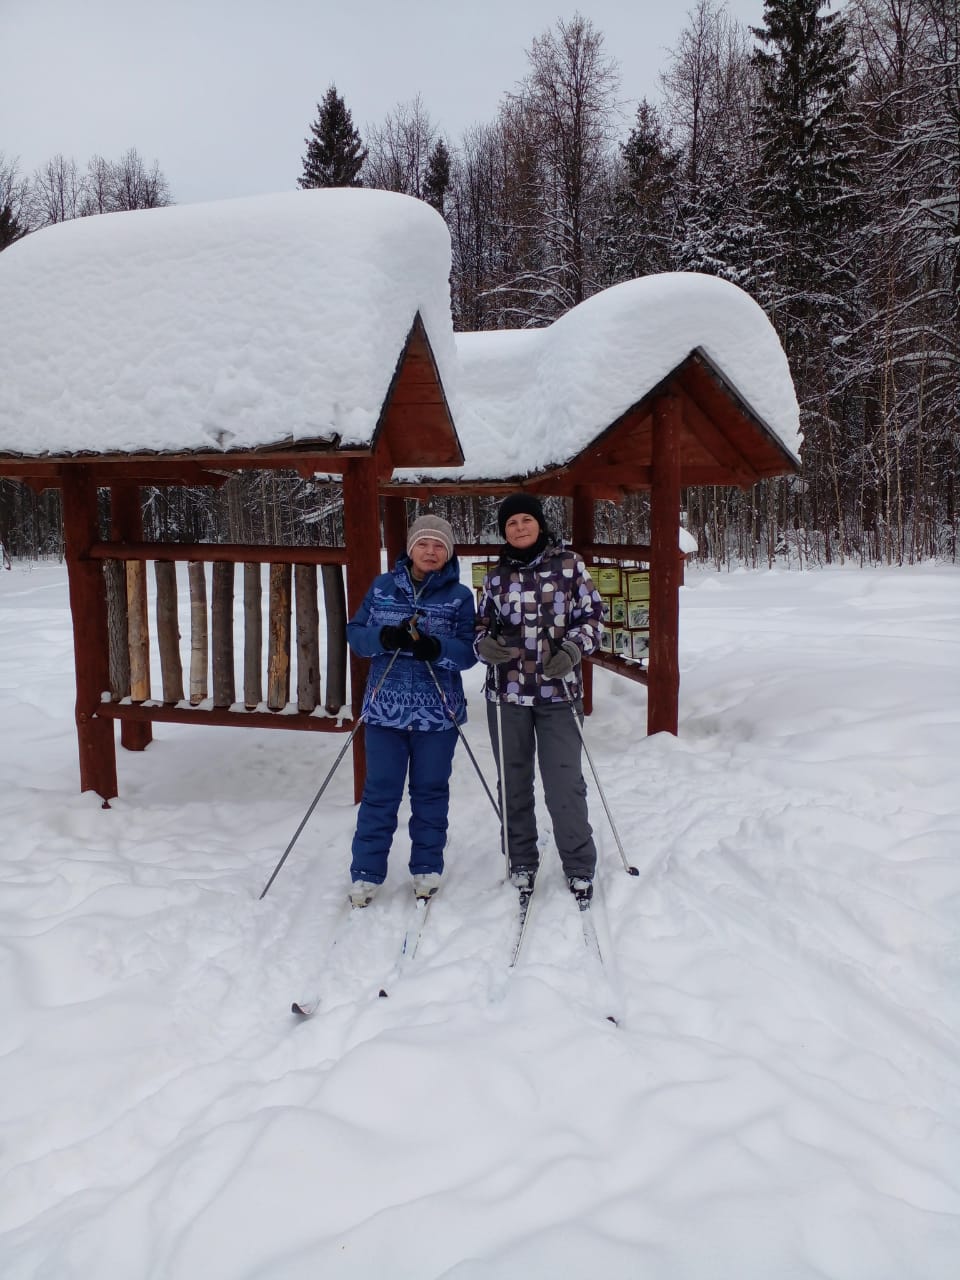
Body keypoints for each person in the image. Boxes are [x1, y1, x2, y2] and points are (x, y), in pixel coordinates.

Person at [475, 493, 604, 903]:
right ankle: (521, 859)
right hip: (507, 693)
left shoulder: (569, 565)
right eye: (511, 523)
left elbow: (592, 617)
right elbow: (479, 626)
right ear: (504, 531)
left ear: (539, 524)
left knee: (564, 782)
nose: (519, 528)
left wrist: (572, 649)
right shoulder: (495, 577)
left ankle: (579, 864)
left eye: (525, 520)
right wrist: (483, 645)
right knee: (513, 782)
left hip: (557, 693)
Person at [345, 514, 477, 908]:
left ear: (448, 552)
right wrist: (384, 637)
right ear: (411, 548)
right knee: (380, 792)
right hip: (386, 712)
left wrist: (437, 649)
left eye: (439, 545)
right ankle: (366, 872)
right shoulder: (384, 588)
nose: (431, 551)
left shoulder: (459, 596)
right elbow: (356, 635)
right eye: (424, 544)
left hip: (438, 715)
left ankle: (426, 866)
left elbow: (469, 652)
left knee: (430, 791)